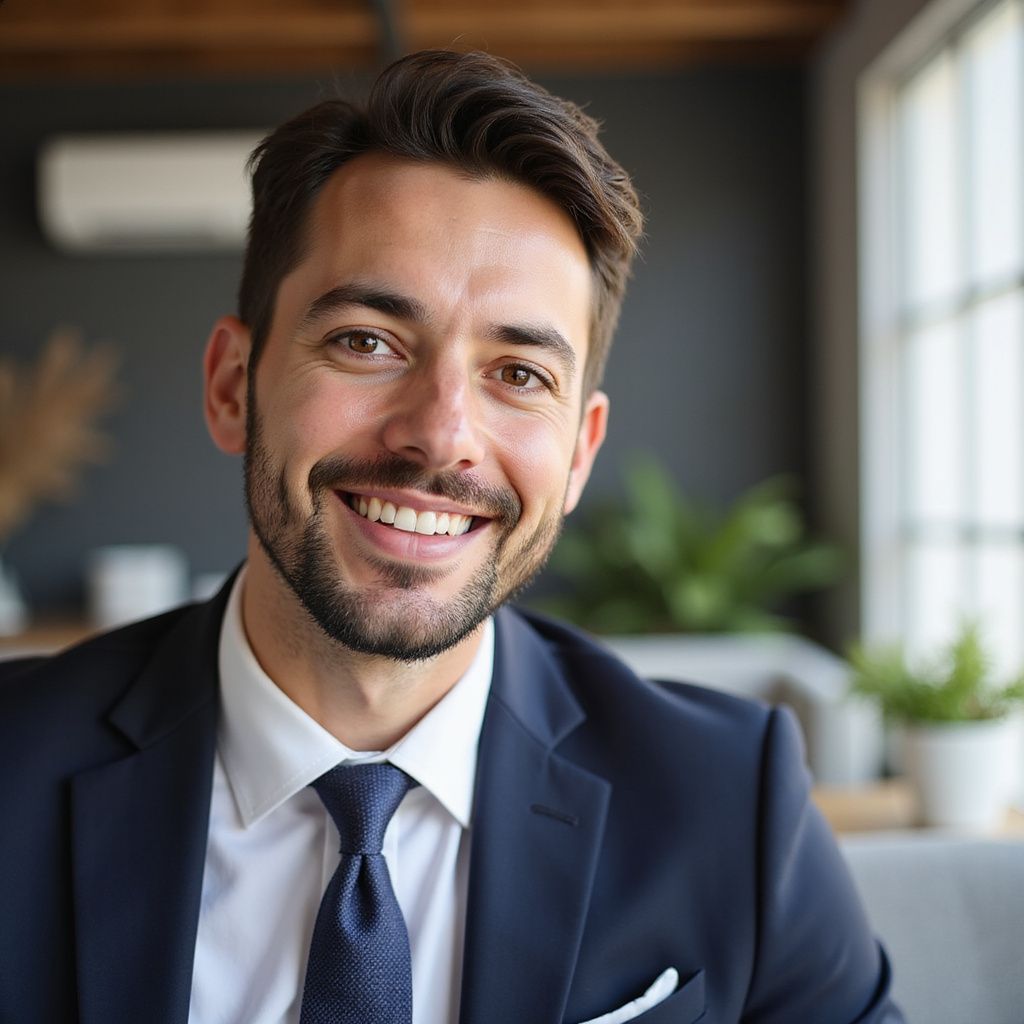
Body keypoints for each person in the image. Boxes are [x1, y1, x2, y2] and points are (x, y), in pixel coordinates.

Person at [0, 49, 902, 1024]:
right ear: (233, 385)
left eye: (518, 372)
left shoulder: (730, 802)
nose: (439, 434)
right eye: (366, 341)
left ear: (577, 453)